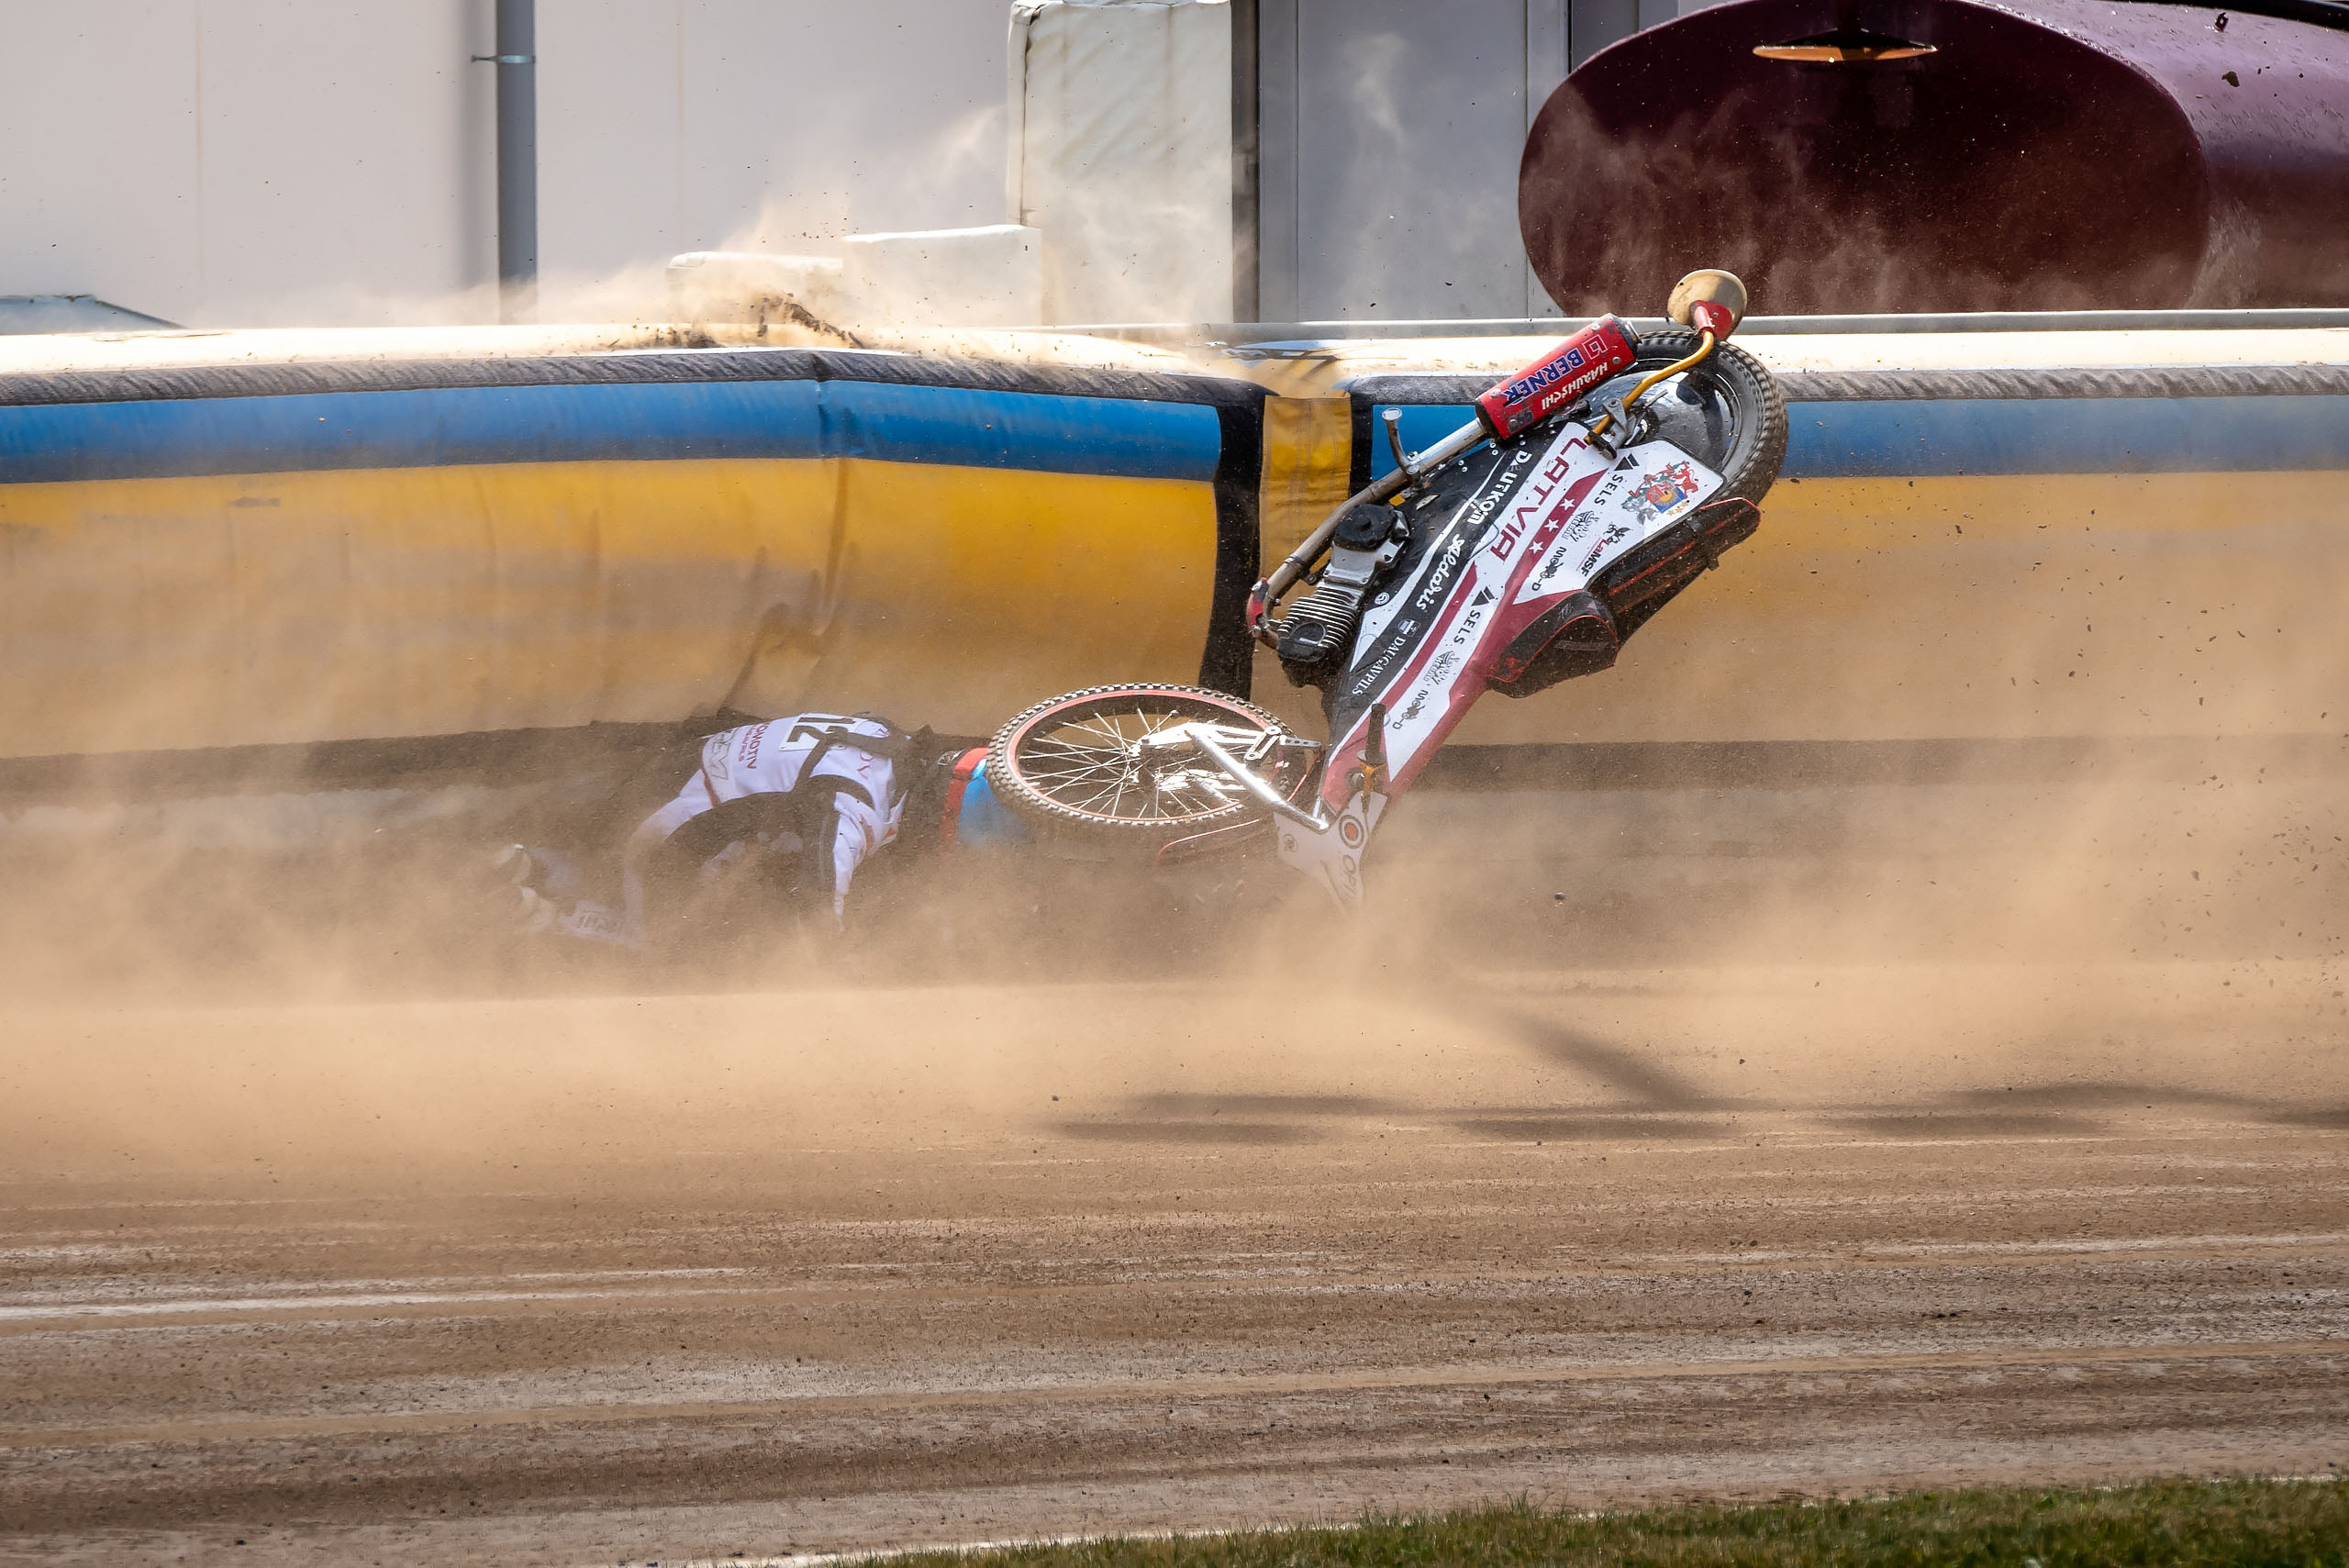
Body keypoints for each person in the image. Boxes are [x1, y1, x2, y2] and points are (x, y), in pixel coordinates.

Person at [492, 711, 1028, 953]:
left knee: (750, 848)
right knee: (662, 944)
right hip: (661, 817)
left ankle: (531, 862)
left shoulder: (884, 734)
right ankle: (541, 913)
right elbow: (821, 902)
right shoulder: (854, 810)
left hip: (665, 778)